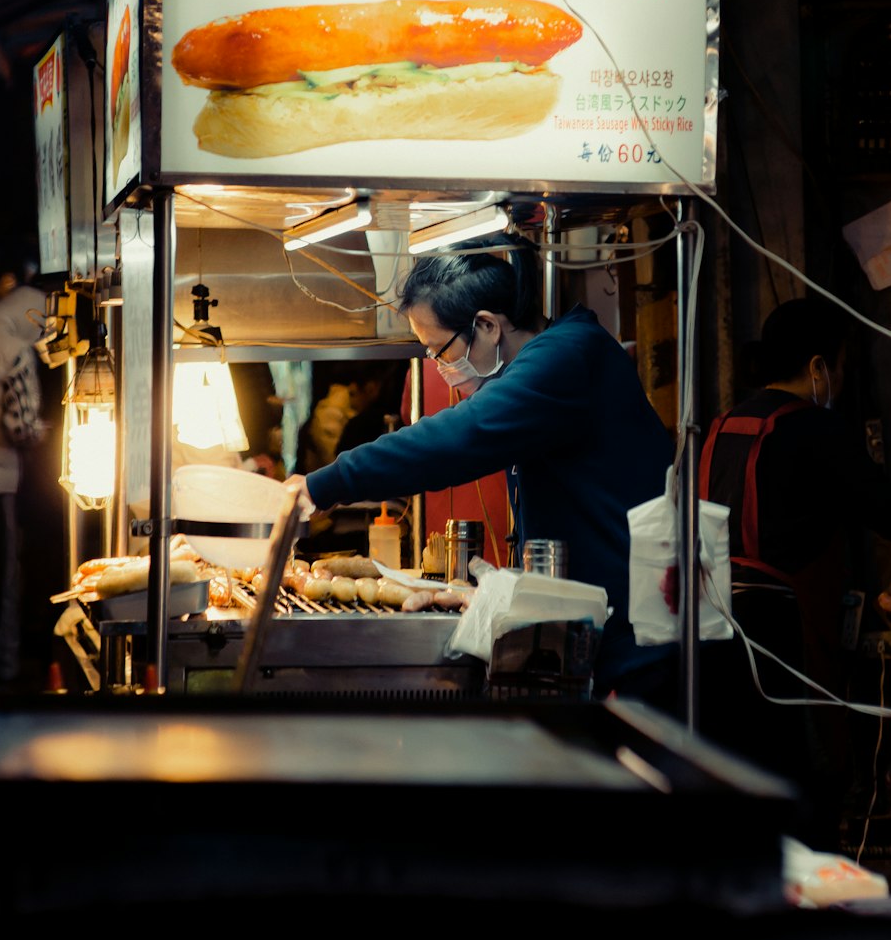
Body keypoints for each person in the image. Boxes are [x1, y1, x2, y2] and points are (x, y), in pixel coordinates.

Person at [285, 237, 677, 700]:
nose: (439, 367)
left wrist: (320, 485)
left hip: (640, 647)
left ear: (487, 326)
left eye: (440, 352)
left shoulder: (569, 355)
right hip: (598, 634)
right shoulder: (550, 362)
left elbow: (458, 438)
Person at [693, 295, 891, 848]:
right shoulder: (814, 429)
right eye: (842, 365)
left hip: (711, 632)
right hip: (779, 633)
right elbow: (888, 510)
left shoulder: (720, 426)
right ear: (818, 367)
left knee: (738, 783)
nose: (843, 379)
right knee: (801, 785)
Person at [0, 247, 46, 686]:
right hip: (1, 486)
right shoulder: (13, 349)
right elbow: (21, 426)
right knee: (4, 589)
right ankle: (6, 684)